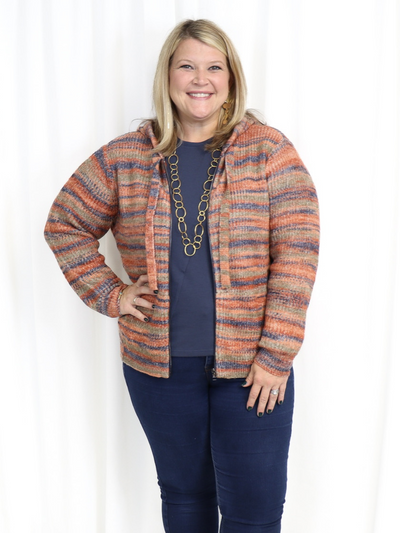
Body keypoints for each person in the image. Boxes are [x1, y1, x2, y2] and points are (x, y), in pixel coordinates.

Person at [44, 18, 319, 533]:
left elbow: (297, 254)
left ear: (231, 79)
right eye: (187, 66)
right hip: (159, 369)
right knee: (185, 500)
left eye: (214, 67)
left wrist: (276, 355)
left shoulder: (268, 152)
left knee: (255, 514)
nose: (200, 79)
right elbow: (65, 223)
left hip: (253, 370)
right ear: (167, 76)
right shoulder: (126, 157)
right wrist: (113, 295)